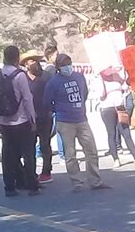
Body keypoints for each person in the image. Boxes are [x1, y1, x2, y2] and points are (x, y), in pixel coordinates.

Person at [43, 54, 110, 192]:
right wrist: (60, 110)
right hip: (64, 121)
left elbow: (84, 93)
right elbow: (46, 102)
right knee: (70, 154)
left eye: (68, 63)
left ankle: (95, 180)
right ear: (58, 67)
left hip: (81, 119)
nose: (67, 67)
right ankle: (77, 182)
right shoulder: (53, 82)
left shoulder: (79, 76)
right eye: (63, 65)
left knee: (91, 150)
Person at [0, 46, 40, 197]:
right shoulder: (20, 76)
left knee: (8, 154)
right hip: (21, 120)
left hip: (5, 122)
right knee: (28, 153)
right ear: (17, 58)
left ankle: (9, 187)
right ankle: (32, 186)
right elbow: (27, 98)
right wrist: (32, 118)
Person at [99, 66, 135, 168]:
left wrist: (123, 75)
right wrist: (100, 80)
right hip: (107, 107)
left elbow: (125, 86)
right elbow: (100, 93)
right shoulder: (99, 77)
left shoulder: (117, 74)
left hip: (120, 106)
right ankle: (115, 158)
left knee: (126, 131)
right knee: (111, 133)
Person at [20, 50, 55, 184]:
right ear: (25, 64)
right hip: (28, 118)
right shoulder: (22, 78)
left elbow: (54, 93)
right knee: (29, 146)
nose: (33, 63)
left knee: (45, 144)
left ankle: (46, 172)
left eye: (35, 60)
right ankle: (30, 174)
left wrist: (51, 109)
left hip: (45, 116)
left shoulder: (47, 76)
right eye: (30, 61)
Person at [44, 45, 65, 163]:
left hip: (53, 104)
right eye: (56, 55)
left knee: (52, 131)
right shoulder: (51, 70)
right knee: (58, 131)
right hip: (54, 105)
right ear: (50, 56)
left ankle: (39, 150)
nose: (57, 57)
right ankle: (62, 155)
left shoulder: (49, 69)